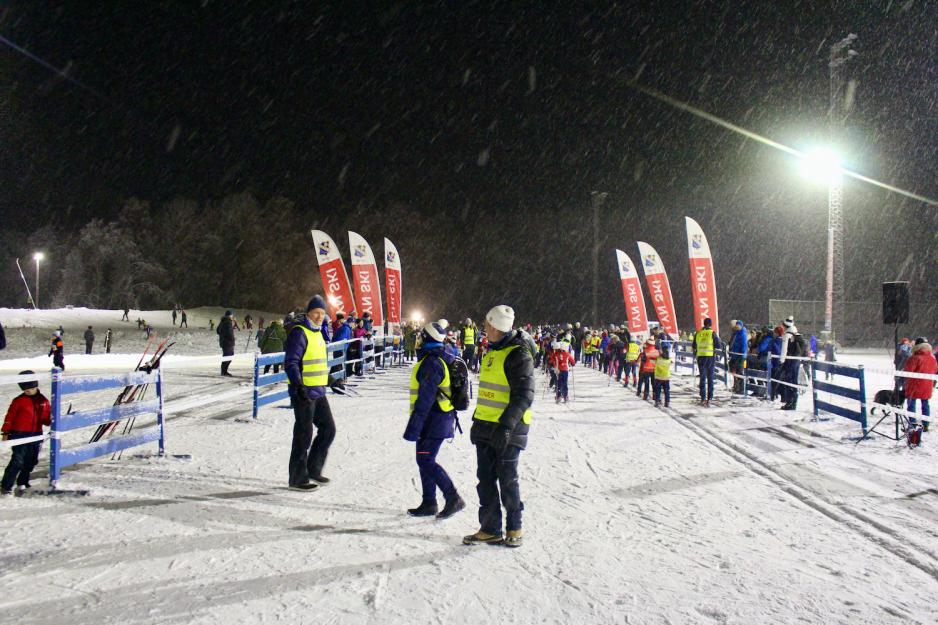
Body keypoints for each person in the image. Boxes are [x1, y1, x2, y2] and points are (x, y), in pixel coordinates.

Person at [464, 305, 534, 548]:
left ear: (494, 325)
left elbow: (524, 396)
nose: (483, 327)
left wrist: (506, 427)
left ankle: (514, 527)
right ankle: (490, 528)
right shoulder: (492, 351)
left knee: (507, 481)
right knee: (485, 480)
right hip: (485, 429)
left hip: (508, 431)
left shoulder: (518, 354)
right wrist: (477, 421)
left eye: (486, 323)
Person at [403, 319, 465, 519]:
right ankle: (429, 502)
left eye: (421, 336)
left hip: (434, 419)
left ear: (426, 338)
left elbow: (425, 400)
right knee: (424, 459)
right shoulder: (434, 358)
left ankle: (453, 497)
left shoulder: (432, 363)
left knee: (425, 459)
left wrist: (414, 427)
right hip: (434, 419)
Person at [284, 295, 335, 490]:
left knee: (329, 429)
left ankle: (313, 469)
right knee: (303, 435)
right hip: (303, 392)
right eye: (316, 313)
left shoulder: (319, 334)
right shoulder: (300, 332)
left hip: (318, 391)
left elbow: (319, 364)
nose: (319, 316)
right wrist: (297, 385)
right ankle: (297, 478)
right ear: (308, 313)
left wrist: (331, 380)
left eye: (322, 313)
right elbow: (292, 362)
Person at [1, 371, 51, 495]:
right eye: (26, 390)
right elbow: (10, 417)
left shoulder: (43, 401)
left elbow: (46, 418)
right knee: (18, 461)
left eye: (32, 389)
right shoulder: (19, 401)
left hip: (36, 435)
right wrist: (5, 432)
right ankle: (6, 486)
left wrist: (52, 421)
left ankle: (23, 482)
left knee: (31, 460)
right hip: (19, 434)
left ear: (36, 386)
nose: (29, 391)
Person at [903, 337, 937, 432]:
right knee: (925, 404)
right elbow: (935, 370)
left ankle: (912, 424)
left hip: (914, 385)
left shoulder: (914, 358)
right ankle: (926, 424)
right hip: (927, 385)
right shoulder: (932, 358)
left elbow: (908, 371)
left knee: (911, 405)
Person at [692, 317, 723, 407]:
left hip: (701, 357)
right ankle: (710, 397)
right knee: (710, 377)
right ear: (710, 324)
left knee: (702, 377)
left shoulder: (698, 333)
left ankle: (702, 397)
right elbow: (718, 345)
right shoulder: (712, 333)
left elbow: (694, 345)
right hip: (710, 357)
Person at [729, 320, 748, 394]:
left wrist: (741, 354)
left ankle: (741, 388)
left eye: (737, 326)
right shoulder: (737, 333)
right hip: (735, 355)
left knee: (740, 372)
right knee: (735, 371)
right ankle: (737, 387)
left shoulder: (742, 334)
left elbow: (743, 345)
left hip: (740, 356)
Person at [217, 310, 236, 377]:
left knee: (227, 356)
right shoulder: (228, 322)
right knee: (228, 356)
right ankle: (224, 371)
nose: (232, 317)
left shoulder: (223, 321)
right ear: (229, 316)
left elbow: (218, 330)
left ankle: (224, 371)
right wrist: (232, 339)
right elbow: (229, 332)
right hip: (228, 342)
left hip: (224, 342)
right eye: (232, 315)